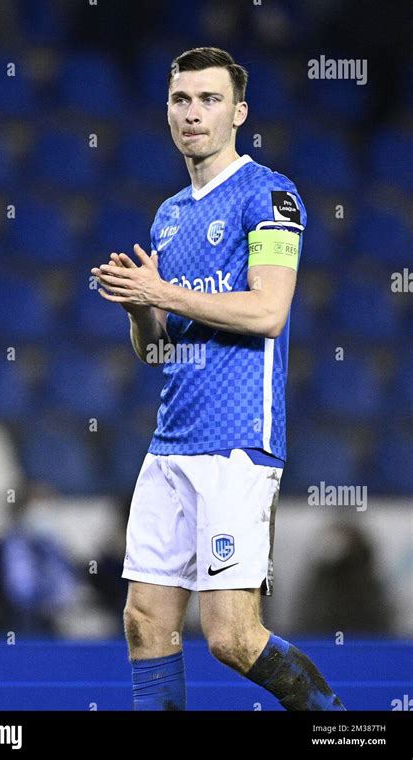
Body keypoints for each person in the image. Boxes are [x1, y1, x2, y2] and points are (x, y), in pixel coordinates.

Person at [92, 47, 345, 711]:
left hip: (236, 444)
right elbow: (156, 354)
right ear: (168, 111)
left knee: (231, 636)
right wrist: (143, 308)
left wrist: (164, 292)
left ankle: (341, 726)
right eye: (181, 100)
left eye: (208, 100)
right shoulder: (169, 215)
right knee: (146, 620)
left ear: (239, 112)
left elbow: (267, 311)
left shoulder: (270, 194)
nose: (193, 113)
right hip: (171, 444)